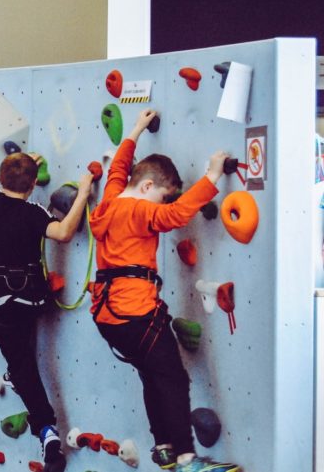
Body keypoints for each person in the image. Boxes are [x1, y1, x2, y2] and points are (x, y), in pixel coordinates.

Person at [89, 109, 240, 472]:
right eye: (161, 196)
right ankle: (188, 460)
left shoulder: (110, 201)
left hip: (108, 316)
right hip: (136, 312)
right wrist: (212, 176)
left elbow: (118, 170)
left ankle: (164, 449)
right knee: (172, 378)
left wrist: (137, 129)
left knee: (152, 377)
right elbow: (174, 217)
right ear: (145, 188)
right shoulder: (140, 210)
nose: (162, 204)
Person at [0, 152, 93, 471]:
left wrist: (22, 164)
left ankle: (46, 431)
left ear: (2, 180)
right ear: (33, 185)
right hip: (31, 300)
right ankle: (31, 403)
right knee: (21, 361)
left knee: (21, 362)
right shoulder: (34, 213)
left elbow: (9, 182)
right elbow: (63, 233)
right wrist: (83, 194)